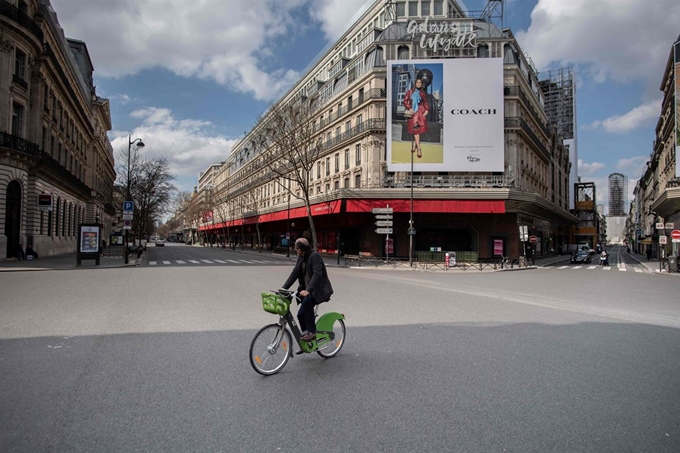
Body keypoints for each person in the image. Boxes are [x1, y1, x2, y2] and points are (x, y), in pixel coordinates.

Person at [281, 238, 333, 341]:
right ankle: (306, 339)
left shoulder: (314, 256)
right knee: (300, 315)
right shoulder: (301, 257)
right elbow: (295, 272)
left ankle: (312, 332)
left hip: (319, 290)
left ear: (300, 249)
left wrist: (308, 290)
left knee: (307, 303)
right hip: (309, 290)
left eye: (296, 249)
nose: (296, 251)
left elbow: (317, 274)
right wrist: (283, 288)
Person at [403, 77, 429, 159]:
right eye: (417, 82)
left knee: (417, 130)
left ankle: (416, 146)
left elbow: (425, 103)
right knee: (416, 130)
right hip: (413, 112)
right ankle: (418, 147)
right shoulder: (409, 92)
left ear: (421, 85)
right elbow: (405, 101)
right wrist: (409, 108)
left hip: (420, 112)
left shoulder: (422, 94)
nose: (418, 84)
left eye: (420, 83)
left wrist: (427, 110)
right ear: (415, 83)